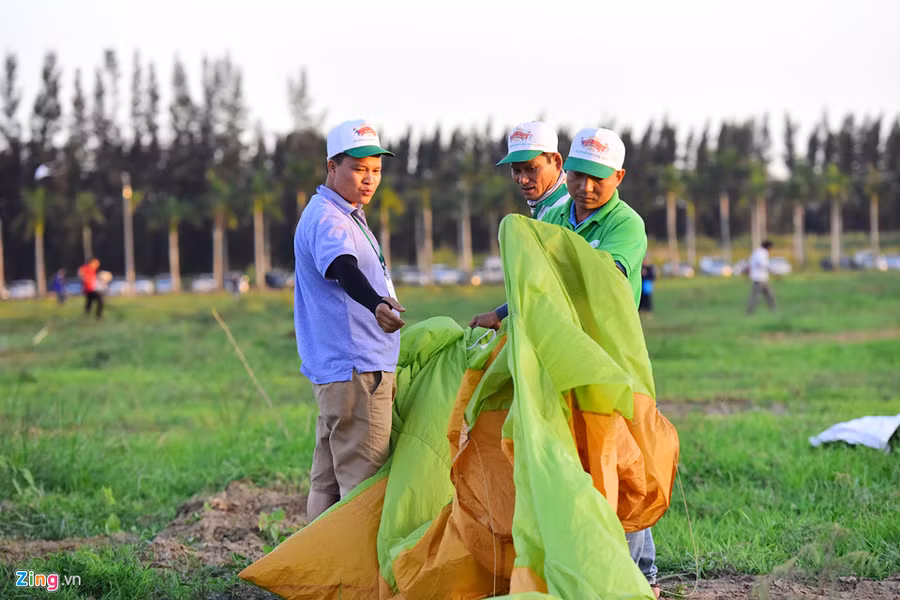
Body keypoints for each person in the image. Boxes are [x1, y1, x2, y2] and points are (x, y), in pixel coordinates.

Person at [294, 119, 406, 521]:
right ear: (332, 166)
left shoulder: (341, 213)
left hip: (337, 373)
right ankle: (354, 583)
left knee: (325, 481)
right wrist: (376, 302)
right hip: (357, 372)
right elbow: (343, 267)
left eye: (375, 170)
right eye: (358, 169)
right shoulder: (329, 219)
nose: (369, 179)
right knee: (364, 485)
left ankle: (316, 575)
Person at [469, 121, 569, 329]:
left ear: (557, 162)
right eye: (516, 170)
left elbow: (546, 285)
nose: (522, 179)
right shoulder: (544, 209)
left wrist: (500, 314)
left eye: (531, 169)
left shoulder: (565, 210)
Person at [746, 240, 776, 314]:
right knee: (757, 297)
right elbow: (763, 264)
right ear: (768, 246)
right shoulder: (762, 253)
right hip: (760, 278)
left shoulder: (757, 252)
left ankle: (773, 310)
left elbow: (750, 263)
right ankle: (749, 312)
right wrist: (773, 271)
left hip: (760, 278)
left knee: (768, 296)